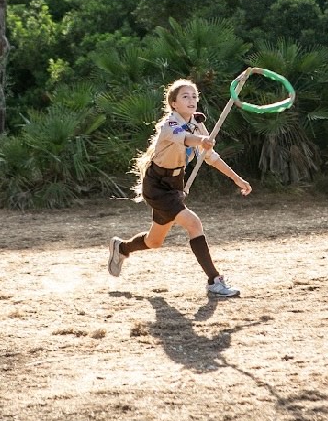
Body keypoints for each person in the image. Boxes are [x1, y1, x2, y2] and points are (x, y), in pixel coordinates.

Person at [107, 78, 252, 297]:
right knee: (193, 223)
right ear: (173, 103)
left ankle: (121, 248)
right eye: (185, 96)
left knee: (154, 241)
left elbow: (210, 157)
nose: (191, 100)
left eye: (194, 96)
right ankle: (215, 280)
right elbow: (185, 139)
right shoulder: (170, 124)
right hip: (156, 185)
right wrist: (201, 140)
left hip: (175, 185)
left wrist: (236, 178)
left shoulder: (197, 123)